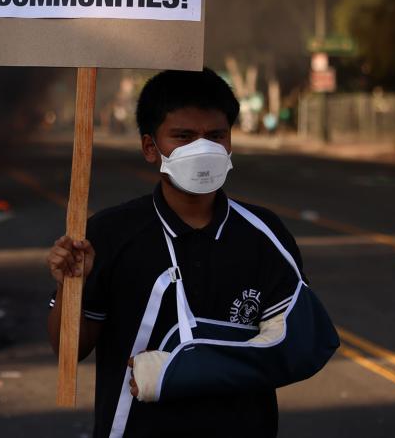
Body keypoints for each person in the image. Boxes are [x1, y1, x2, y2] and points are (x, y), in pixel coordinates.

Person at [46, 68, 338, 438]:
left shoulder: (263, 233)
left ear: (230, 142)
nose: (203, 149)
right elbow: (68, 351)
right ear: (151, 147)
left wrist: (176, 371)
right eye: (183, 137)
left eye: (215, 136)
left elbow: (300, 344)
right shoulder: (108, 233)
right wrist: (71, 284)